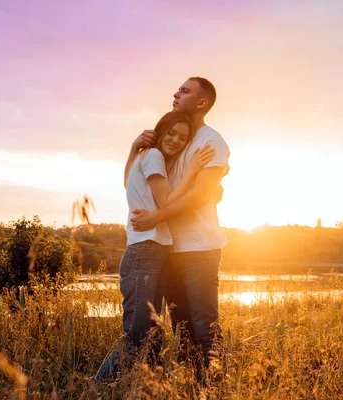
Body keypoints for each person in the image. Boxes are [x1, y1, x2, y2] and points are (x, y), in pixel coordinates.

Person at [95, 111, 214, 381]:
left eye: (182, 138)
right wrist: (194, 169)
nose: (175, 140)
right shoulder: (153, 155)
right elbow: (166, 201)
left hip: (154, 251)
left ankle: (140, 388)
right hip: (144, 252)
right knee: (138, 337)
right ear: (159, 131)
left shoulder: (146, 156)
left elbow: (128, 182)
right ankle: (98, 388)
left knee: (151, 335)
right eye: (171, 133)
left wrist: (132, 148)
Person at [130, 77, 230, 369]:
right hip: (170, 248)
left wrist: (156, 217)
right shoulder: (177, 137)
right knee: (182, 328)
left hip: (200, 247)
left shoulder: (212, 141)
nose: (175, 93)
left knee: (204, 325)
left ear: (202, 102)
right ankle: (189, 387)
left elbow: (202, 195)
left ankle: (214, 386)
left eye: (184, 91)